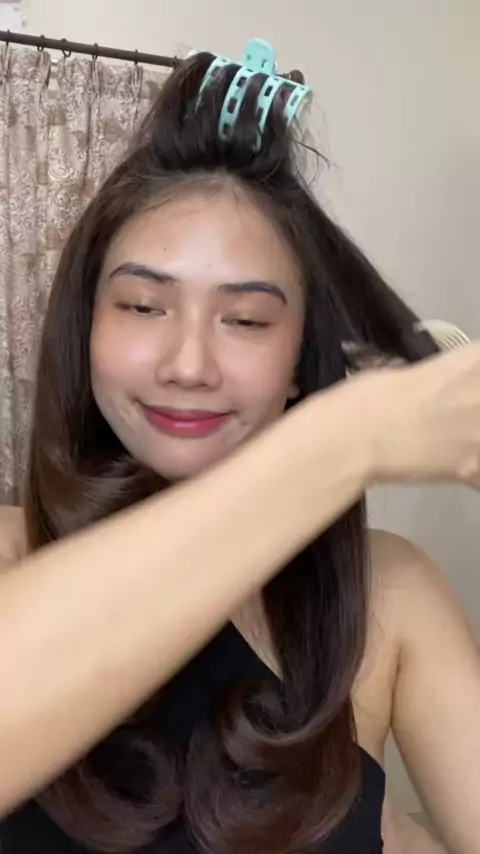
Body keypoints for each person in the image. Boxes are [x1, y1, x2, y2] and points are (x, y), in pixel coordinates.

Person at [0, 46, 478, 854]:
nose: (188, 364)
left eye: (247, 320)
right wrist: (349, 439)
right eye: (143, 306)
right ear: (86, 331)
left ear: (298, 362)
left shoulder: (388, 596)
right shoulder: (13, 555)